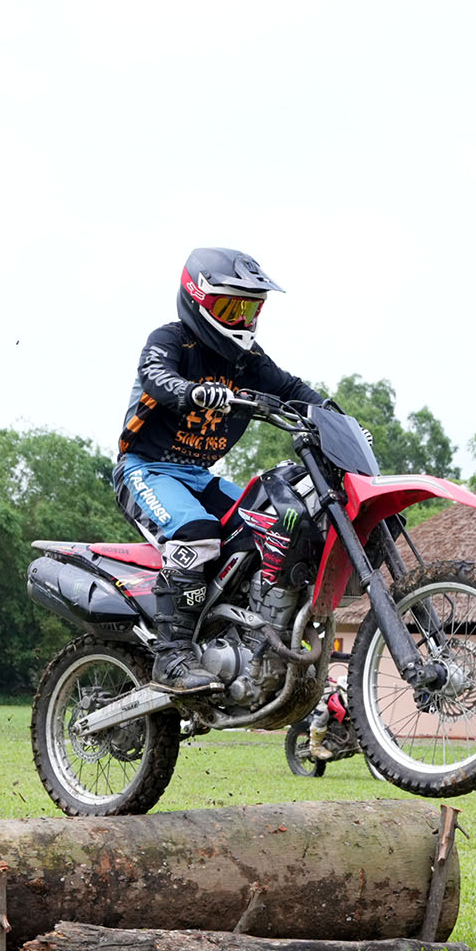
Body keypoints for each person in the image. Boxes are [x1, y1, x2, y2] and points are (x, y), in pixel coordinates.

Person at [114, 249, 325, 692]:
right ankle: (171, 657)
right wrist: (192, 392)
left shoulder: (248, 361)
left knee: (272, 526)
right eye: (231, 308)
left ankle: (238, 635)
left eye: (250, 309)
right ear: (197, 300)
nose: (242, 320)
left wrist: (332, 417)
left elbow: (291, 388)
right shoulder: (169, 340)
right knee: (197, 533)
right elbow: (156, 377)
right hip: (146, 469)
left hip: (198, 476)